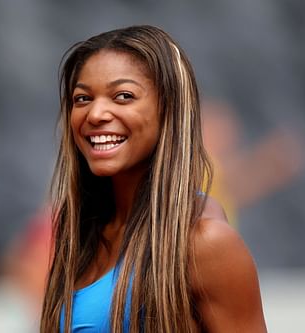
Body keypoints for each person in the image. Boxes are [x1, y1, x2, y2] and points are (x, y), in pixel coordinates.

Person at [40, 25, 267, 333]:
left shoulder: (205, 245)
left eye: (123, 96)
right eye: (82, 98)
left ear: (168, 109)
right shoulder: (80, 230)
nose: (95, 114)